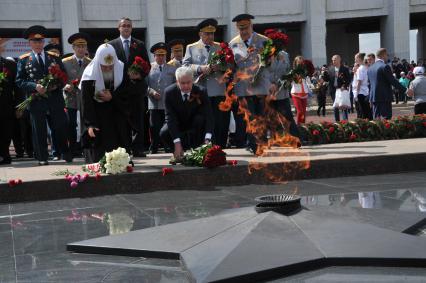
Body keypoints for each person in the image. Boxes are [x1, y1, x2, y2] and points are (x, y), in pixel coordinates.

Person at [16, 25, 72, 165]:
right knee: (39, 129)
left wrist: (55, 85)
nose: (38, 44)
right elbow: (19, 80)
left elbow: (64, 77)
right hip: (36, 99)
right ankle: (42, 157)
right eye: (35, 42)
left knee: (60, 126)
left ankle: (65, 153)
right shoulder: (24, 60)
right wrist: (35, 86)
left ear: (44, 42)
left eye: (40, 41)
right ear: (29, 43)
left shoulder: (53, 57)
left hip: (54, 98)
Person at [229, 13, 272, 153]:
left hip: (261, 85)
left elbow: (271, 64)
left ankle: (262, 143)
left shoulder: (264, 41)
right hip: (244, 87)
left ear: (251, 26)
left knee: (262, 116)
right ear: (237, 29)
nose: (244, 32)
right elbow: (232, 67)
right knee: (250, 116)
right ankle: (254, 145)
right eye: (241, 29)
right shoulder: (233, 43)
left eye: (246, 28)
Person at [183, 18, 229, 148]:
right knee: (202, 119)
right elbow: (185, 66)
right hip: (200, 89)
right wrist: (200, 68)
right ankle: (203, 145)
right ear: (200, 34)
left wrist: (219, 67)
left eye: (212, 33)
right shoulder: (191, 47)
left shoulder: (220, 47)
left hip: (218, 89)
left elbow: (230, 65)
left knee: (218, 119)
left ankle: (219, 146)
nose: (210, 36)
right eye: (207, 33)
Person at [109, 17, 150, 157]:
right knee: (121, 121)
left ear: (132, 28)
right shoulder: (111, 45)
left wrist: (139, 75)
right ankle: (124, 149)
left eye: (129, 26)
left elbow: (147, 65)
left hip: (136, 89)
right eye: (124, 25)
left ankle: (138, 148)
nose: (126, 28)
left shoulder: (139, 44)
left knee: (138, 120)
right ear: (119, 28)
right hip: (119, 90)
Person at [79, 43, 125, 163]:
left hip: (113, 113)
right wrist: (90, 124)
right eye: (104, 67)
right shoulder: (89, 75)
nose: (108, 69)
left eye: (111, 67)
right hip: (96, 114)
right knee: (97, 155)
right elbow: (86, 102)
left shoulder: (121, 68)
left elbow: (125, 91)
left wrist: (112, 96)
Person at [160, 67, 214, 160]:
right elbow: (170, 118)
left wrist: (207, 139)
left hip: (195, 124)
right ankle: (178, 151)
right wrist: (177, 143)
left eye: (188, 82)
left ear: (193, 80)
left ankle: (199, 150)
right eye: (182, 83)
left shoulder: (201, 91)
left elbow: (209, 116)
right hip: (178, 124)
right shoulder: (169, 93)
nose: (186, 86)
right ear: (177, 81)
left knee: (200, 119)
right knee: (164, 132)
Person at [62, 32, 91, 157]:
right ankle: (72, 149)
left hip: (85, 99)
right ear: (73, 48)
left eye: (83, 46)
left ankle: (85, 148)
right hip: (71, 99)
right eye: (78, 46)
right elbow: (60, 79)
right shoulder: (65, 62)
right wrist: (65, 86)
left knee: (86, 124)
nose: (81, 49)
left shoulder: (91, 62)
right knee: (71, 125)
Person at [146, 42, 177, 154]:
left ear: (166, 56)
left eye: (163, 55)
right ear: (154, 56)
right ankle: (154, 147)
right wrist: (151, 92)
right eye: (158, 55)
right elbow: (145, 85)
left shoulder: (172, 68)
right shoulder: (148, 68)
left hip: (167, 103)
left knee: (167, 126)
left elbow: (176, 85)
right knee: (154, 126)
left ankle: (167, 146)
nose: (160, 57)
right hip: (153, 103)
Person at [268, 38, 300, 139]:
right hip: (269, 91)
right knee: (272, 118)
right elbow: (263, 72)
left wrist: (286, 80)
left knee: (287, 116)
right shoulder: (265, 54)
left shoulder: (285, 55)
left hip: (282, 91)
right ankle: (276, 139)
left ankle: (296, 138)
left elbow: (288, 71)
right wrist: (270, 84)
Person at [367, 48, 412, 119]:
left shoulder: (370, 68)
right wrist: (406, 90)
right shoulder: (385, 66)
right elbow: (393, 81)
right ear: (384, 55)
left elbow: (370, 85)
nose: (387, 57)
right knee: (385, 120)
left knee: (376, 120)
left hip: (374, 98)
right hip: (384, 98)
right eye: (387, 55)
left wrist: (370, 98)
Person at [0, 54, 23, 164]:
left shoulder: (10, 64)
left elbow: (18, 87)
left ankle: (4, 154)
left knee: (6, 131)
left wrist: (19, 106)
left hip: (6, 105)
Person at [326, 54, 351, 121]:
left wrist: (344, 86)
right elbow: (327, 79)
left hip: (341, 90)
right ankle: (337, 121)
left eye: (335, 60)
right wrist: (324, 76)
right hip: (333, 90)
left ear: (339, 59)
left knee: (343, 105)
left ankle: (345, 121)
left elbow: (348, 79)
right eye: (332, 60)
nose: (333, 61)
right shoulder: (330, 69)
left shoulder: (345, 69)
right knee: (335, 106)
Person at [290, 56, 311, 124]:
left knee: (304, 112)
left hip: (304, 93)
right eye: (299, 62)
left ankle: (303, 125)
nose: (300, 64)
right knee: (300, 111)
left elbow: (307, 81)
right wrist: (296, 78)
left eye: (302, 62)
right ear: (295, 63)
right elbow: (291, 82)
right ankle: (299, 126)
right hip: (296, 93)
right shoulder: (292, 71)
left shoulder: (305, 71)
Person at [353, 53, 372, 120]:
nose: (355, 59)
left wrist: (356, 93)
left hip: (361, 92)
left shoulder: (360, 69)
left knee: (363, 112)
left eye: (355, 58)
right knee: (367, 111)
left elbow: (359, 82)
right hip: (366, 91)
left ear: (359, 58)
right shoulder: (365, 67)